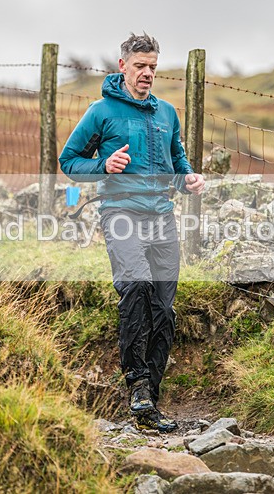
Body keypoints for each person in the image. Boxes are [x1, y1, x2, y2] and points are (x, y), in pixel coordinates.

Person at [58, 32, 205, 432]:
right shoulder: (101, 112)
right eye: (140, 66)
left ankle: (150, 402)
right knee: (136, 284)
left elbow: (177, 161)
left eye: (153, 67)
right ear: (122, 66)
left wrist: (187, 180)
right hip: (120, 213)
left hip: (162, 218)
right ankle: (137, 384)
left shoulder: (167, 114)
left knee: (164, 308)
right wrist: (103, 166)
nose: (147, 74)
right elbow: (68, 161)